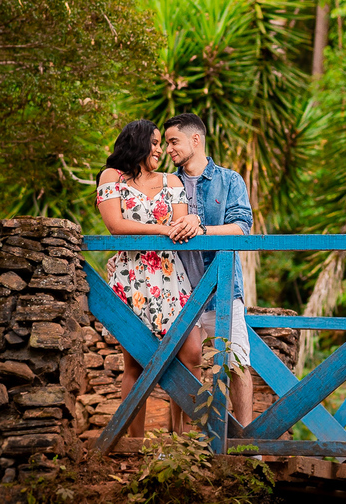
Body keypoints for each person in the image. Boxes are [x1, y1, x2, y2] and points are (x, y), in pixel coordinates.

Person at [95, 119, 204, 438]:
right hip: (133, 280)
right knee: (136, 363)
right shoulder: (111, 177)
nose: (160, 150)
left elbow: (183, 225)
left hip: (171, 278)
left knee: (192, 354)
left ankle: (182, 441)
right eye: (154, 143)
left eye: (162, 144)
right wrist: (162, 229)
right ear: (137, 143)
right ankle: (133, 442)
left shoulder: (172, 181)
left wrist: (192, 221)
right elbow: (115, 225)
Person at [164, 112, 256, 428]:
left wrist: (201, 227)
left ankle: (246, 449)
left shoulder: (229, 180)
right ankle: (178, 446)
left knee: (237, 364)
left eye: (173, 141)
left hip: (221, 292)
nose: (169, 150)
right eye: (166, 144)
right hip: (179, 293)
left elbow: (243, 228)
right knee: (175, 368)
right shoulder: (167, 183)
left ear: (196, 139)